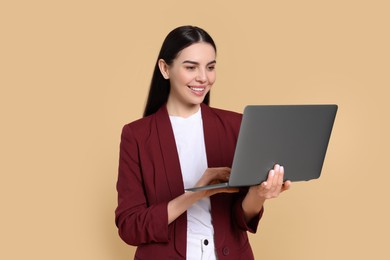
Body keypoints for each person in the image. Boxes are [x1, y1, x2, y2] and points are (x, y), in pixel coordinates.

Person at [115, 25, 291, 260]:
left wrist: (259, 194)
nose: (203, 78)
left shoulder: (236, 125)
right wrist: (198, 192)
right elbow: (130, 226)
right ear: (165, 69)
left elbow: (241, 216)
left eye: (210, 67)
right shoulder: (136, 135)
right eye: (191, 67)